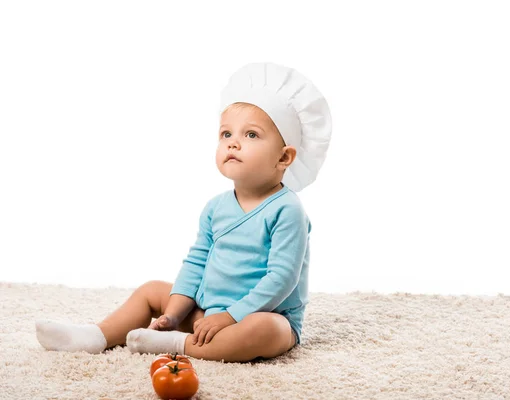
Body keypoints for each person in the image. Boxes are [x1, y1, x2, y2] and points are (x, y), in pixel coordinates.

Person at [35, 62, 332, 363]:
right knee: (152, 291)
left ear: (284, 157)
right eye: (226, 133)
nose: (233, 142)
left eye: (251, 135)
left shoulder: (287, 209)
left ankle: (179, 345)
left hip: (262, 314)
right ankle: (96, 336)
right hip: (208, 312)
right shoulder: (216, 207)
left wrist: (230, 317)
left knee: (267, 330)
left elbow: (281, 278)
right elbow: (197, 262)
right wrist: (174, 314)